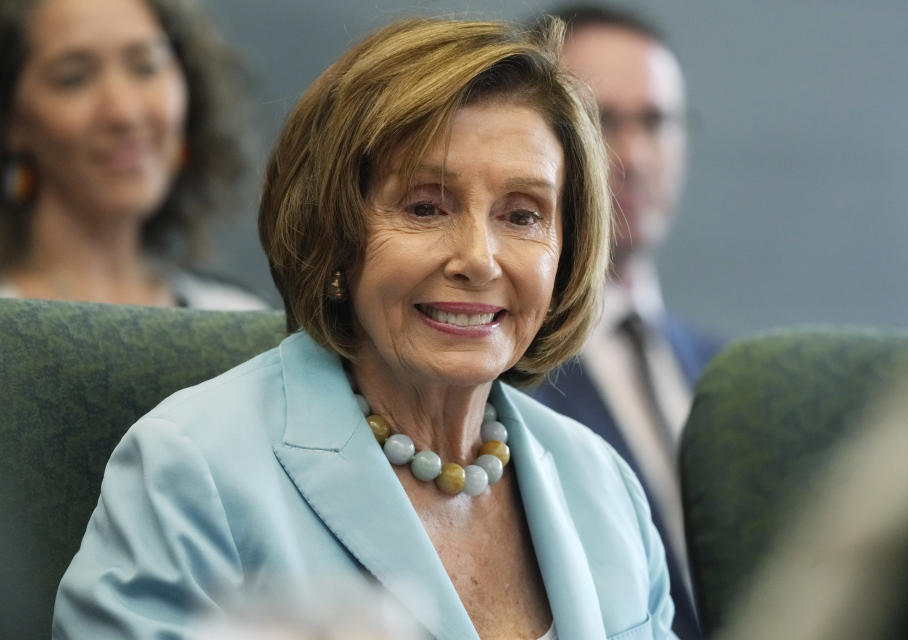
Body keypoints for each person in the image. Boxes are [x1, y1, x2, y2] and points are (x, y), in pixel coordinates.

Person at [53, 16, 678, 640]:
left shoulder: (605, 484)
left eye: (522, 215)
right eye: (426, 207)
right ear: (336, 238)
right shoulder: (191, 471)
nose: (479, 259)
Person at [528, 6, 723, 638]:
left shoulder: (733, 376)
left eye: (657, 122)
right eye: (601, 121)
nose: (634, 154)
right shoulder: (488, 374)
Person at [0, 0, 266, 309]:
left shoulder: (237, 317)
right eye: (73, 78)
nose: (124, 113)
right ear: (12, 121)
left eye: (147, 66)